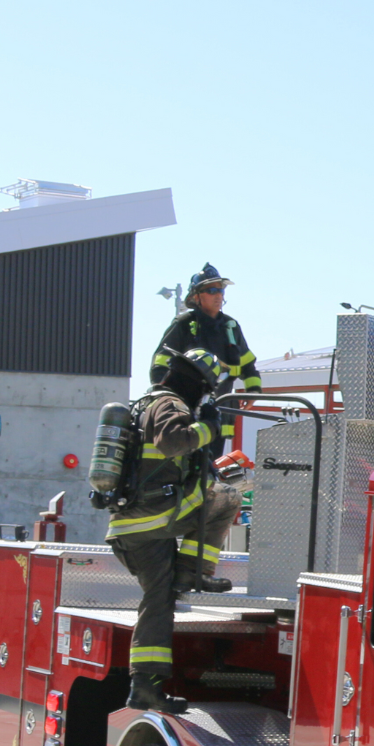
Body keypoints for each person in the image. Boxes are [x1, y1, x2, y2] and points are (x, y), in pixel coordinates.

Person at [110, 266, 259, 713]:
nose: (219, 297)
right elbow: (175, 440)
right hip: (150, 521)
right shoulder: (167, 403)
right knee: (228, 501)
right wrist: (206, 427)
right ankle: (190, 576)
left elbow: (245, 363)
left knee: (159, 601)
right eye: (212, 291)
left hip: (144, 521)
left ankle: (146, 684)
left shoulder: (168, 399)